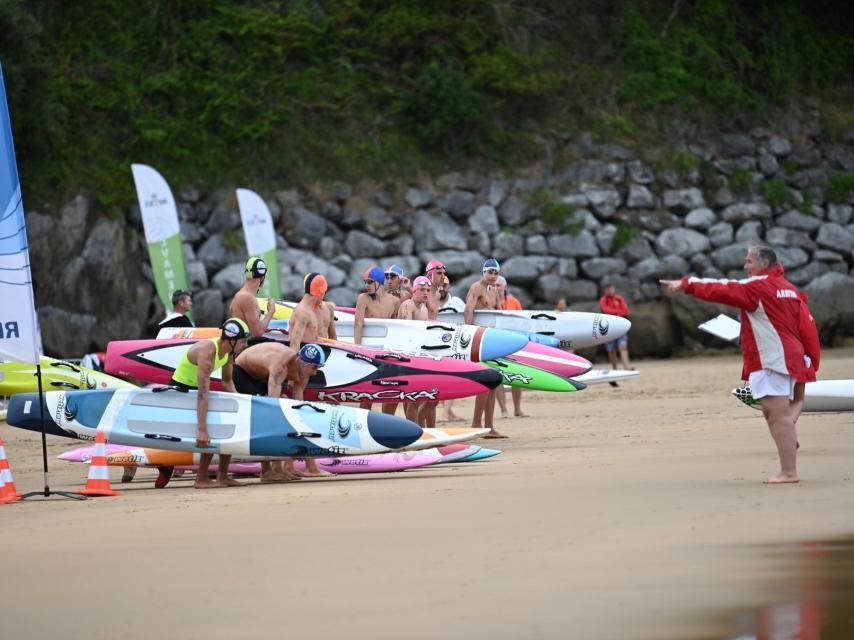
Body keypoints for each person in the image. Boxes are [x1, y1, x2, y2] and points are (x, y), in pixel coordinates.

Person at [660, 244, 820, 484]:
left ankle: (789, 472)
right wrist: (811, 359)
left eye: (749, 262)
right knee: (774, 411)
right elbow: (807, 325)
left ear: (763, 263)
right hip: (786, 357)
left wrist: (686, 284)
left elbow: (722, 287)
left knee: (778, 414)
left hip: (772, 359)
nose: (745, 267)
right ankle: (788, 459)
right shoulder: (788, 288)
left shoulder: (758, 286)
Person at [169, 317, 249, 489]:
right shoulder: (208, 351)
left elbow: (227, 383)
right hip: (181, 391)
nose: (246, 345)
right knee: (213, 426)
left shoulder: (228, 353)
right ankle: (201, 478)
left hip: (198, 392)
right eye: (243, 341)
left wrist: (241, 404)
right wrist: (202, 430)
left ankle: (222, 476)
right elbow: (203, 393)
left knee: (229, 421)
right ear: (232, 339)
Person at [234, 341, 328, 481]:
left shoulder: (304, 371)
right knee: (264, 418)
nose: (315, 372)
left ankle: (278, 468)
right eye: (314, 367)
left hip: (261, 375)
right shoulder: (280, 366)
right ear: (302, 362)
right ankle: (266, 471)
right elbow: (271, 407)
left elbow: (299, 404)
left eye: (318, 367)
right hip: (242, 371)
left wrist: (300, 428)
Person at [279, 272, 334, 477]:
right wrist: (293, 379)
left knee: (306, 417)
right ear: (319, 292)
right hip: (300, 375)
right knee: (302, 418)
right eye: (324, 293)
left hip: (308, 371)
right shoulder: (302, 312)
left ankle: (291, 466)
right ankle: (307, 466)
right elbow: (293, 346)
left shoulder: (312, 310)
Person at [465, 258, 506, 438]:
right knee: (484, 383)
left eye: (496, 273)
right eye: (490, 272)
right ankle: (476, 424)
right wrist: (468, 335)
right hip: (479, 340)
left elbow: (499, 314)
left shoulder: (495, 291)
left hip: (492, 340)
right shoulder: (476, 288)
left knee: (493, 383)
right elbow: (469, 310)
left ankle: (489, 426)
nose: (492, 276)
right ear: (483, 272)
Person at [393, 276, 432, 423]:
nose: (426, 293)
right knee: (407, 399)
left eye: (428, 290)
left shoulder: (424, 309)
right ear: (415, 291)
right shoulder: (407, 305)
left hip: (418, 356)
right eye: (422, 290)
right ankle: (413, 429)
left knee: (420, 399)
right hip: (404, 357)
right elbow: (404, 332)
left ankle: (416, 427)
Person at [493, 276, 527, 418]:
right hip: (495, 343)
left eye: (499, 285)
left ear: (505, 287)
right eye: (494, 285)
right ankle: (503, 410)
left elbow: (523, 323)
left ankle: (517, 409)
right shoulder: (489, 302)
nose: (496, 287)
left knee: (516, 376)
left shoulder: (513, 302)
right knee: (498, 378)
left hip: (513, 342)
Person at [230, 257, 275, 337]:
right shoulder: (247, 298)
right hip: (244, 347)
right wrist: (271, 312)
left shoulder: (243, 294)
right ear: (263, 277)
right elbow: (257, 332)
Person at [598, 283, 632, 386]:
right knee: (611, 351)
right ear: (605, 291)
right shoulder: (603, 300)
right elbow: (605, 310)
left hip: (620, 327)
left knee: (622, 346)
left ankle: (627, 368)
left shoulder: (619, 298)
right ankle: (614, 370)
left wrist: (616, 313)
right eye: (608, 289)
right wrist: (617, 312)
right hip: (608, 328)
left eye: (612, 289)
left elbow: (626, 310)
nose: (610, 291)